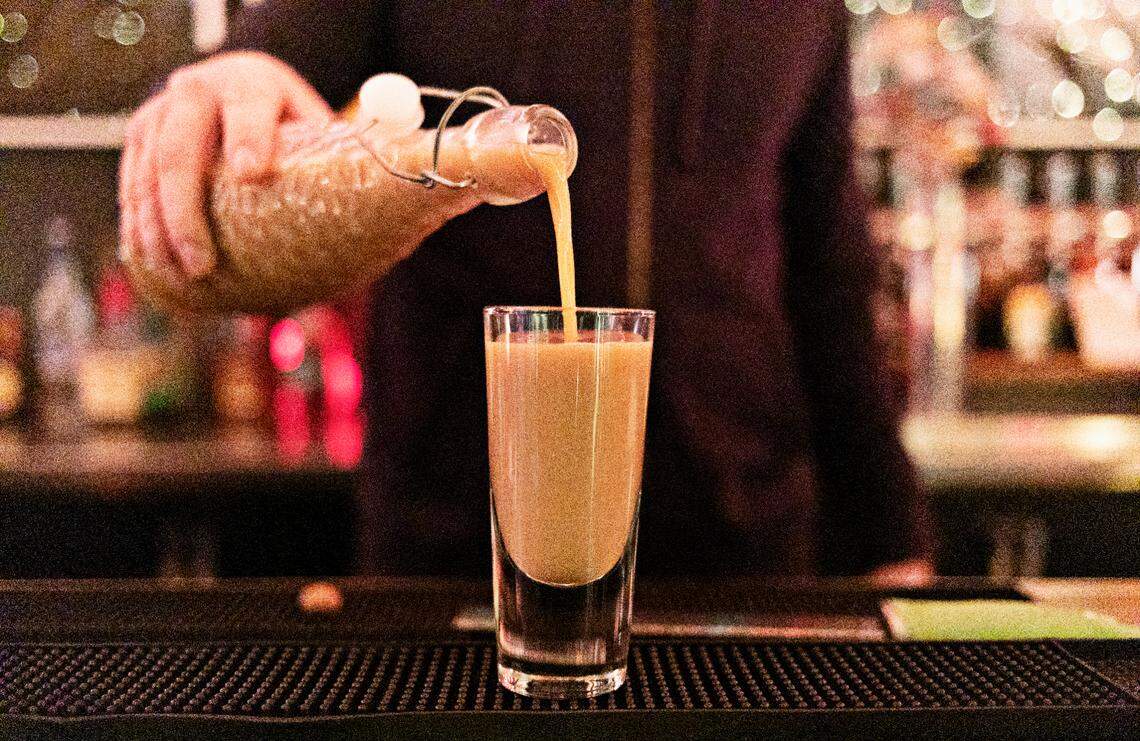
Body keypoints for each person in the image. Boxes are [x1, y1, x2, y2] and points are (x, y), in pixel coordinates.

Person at [120, 1, 932, 582]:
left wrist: (892, 531)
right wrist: (238, 74)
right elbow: (284, 54)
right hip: (452, 560)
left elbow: (830, 277)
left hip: (746, 556)